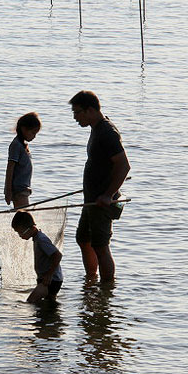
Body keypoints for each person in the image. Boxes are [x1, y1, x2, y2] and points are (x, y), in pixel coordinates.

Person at [69, 90, 130, 283]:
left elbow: (123, 165)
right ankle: (91, 280)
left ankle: (106, 288)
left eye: (77, 112)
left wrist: (108, 194)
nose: (75, 117)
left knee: (101, 245)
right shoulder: (96, 129)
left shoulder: (107, 133)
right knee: (83, 239)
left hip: (101, 202)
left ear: (90, 110)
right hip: (91, 199)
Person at [11, 210, 63, 303]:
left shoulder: (41, 239)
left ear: (29, 228)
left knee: (31, 301)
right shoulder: (37, 238)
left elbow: (57, 255)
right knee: (49, 305)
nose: (20, 235)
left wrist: (49, 275)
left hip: (50, 281)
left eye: (20, 232)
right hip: (50, 279)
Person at [3, 112, 42, 208]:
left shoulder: (22, 145)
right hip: (19, 190)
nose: (34, 136)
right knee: (24, 217)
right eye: (33, 132)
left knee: (24, 216)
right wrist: (8, 191)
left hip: (23, 189)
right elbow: (10, 168)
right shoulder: (16, 145)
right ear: (24, 129)